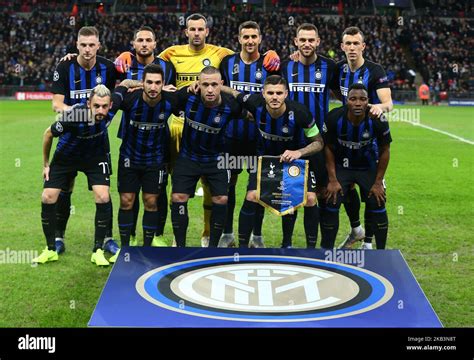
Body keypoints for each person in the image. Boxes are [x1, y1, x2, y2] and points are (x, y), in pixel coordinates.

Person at [153, 13, 279, 247]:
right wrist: (127, 54)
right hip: (182, 129)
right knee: (174, 188)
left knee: (225, 191)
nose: (197, 33)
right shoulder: (172, 52)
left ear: (207, 31)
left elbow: (252, 58)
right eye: (192, 29)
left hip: (224, 133)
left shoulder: (222, 54)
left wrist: (270, 53)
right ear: (186, 31)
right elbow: (148, 57)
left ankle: (213, 235)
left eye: (201, 29)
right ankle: (175, 238)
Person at [221, 75, 324, 248]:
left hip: (294, 162)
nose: (274, 97)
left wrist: (299, 152)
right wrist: (204, 85)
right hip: (265, 161)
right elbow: (233, 92)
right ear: (263, 94)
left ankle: (305, 248)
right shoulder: (255, 103)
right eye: (270, 93)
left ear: (286, 94)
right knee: (252, 196)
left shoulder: (300, 112)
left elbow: (319, 142)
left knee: (311, 198)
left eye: (278, 93)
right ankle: (243, 248)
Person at [51, 26, 119, 255]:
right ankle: (58, 237)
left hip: (97, 143)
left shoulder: (108, 68)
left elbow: (126, 85)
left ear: (98, 45)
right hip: (70, 142)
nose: (87, 49)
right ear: (76, 45)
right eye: (83, 45)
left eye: (92, 45)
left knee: (103, 193)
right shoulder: (65, 66)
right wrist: (82, 115)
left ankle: (107, 239)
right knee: (64, 190)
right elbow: (56, 105)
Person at [33, 85, 117, 266]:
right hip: (66, 157)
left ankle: (98, 251)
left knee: (103, 197)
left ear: (110, 105)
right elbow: (48, 134)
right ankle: (50, 249)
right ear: (89, 104)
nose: (100, 110)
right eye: (96, 106)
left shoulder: (113, 106)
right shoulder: (74, 115)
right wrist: (46, 164)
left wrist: (140, 84)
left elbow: (125, 85)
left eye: (104, 106)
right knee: (48, 197)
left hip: (95, 156)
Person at [218, 21, 280, 248]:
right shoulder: (227, 63)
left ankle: (257, 235)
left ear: (260, 39)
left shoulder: (270, 64)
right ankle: (227, 233)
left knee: (258, 188)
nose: (250, 41)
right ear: (239, 38)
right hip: (230, 136)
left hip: (260, 140)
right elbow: (219, 89)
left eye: (254, 36)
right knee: (228, 185)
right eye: (246, 37)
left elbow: (279, 94)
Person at [115, 26, 176, 247]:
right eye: (139, 40)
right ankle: (129, 236)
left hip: (159, 139)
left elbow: (173, 93)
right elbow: (115, 86)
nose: (144, 44)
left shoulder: (167, 67)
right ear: (133, 43)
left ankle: (156, 236)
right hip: (130, 133)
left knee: (156, 195)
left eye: (148, 40)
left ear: (155, 43)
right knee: (129, 196)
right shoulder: (123, 64)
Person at [169, 66, 244, 248]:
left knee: (221, 199)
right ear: (198, 85)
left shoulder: (231, 106)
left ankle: (213, 247)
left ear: (221, 85)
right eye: (205, 85)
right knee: (178, 197)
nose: (209, 89)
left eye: (214, 85)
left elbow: (254, 110)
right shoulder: (187, 98)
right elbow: (164, 99)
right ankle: (179, 246)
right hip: (188, 157)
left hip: (216, 159)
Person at [281, 23, 338, 248]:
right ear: (296, 42)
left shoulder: (329, 67)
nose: (306, 44)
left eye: (311, 40)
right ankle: (286, 242)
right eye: (302, 40)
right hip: (291, 140)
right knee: (290, 195)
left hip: (318, 142)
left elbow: (342, 91)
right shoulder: (286, 66)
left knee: (317, 196)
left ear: (318, 42)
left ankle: (314, 246)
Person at [336, 26, 393, 249]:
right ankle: (356, 229)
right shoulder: (338, 70)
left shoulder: (375, 70)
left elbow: (388, 103)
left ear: (363, 46)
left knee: (372, 192)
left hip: (370, 142)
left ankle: (368, 243)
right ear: (342, 47)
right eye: (347, 44)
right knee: (345, 189)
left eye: (355, 43)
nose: (351, 48)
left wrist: (379, 107)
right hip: (344, 141)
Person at [324, 83, 391, 250]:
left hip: (367, 167)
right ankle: (326, 251)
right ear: (347, 101)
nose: (358, 103)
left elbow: (385, 150)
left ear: (368, 101)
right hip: (343, 168)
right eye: (353, 99)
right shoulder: (334, 117)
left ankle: (380, 252)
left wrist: (378, 182)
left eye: (362, 99)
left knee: (378, 200)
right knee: (331, 200)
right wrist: (332, 179)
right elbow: (328, 148)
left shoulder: (378, 119)